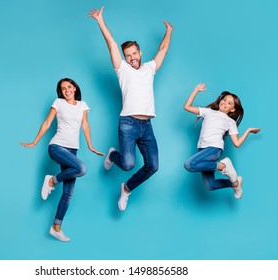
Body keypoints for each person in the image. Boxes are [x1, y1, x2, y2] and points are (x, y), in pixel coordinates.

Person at [88, 6, 174, 211]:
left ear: (140, 52)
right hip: (128, 123)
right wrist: (100, 21)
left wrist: (169, 31)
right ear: (125, 57)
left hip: (147, 125)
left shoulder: (149, 69)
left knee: (153, 166)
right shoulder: (122, 69)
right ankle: (112, 155)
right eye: (128, 55)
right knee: (127, 164)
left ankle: (126, 188)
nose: (132, 57)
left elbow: (162, 50)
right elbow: (111, 45)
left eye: (134, 53)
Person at [20, 78, 104, 242]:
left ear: (75, 88)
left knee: (68, 194)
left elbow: (85, 125)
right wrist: (34, 142)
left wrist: (90, 145)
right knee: (81, 169)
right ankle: (52, 181)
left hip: (73, 150)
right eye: (63, 88)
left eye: (69, 87)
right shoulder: (58, 103)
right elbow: (47, 123)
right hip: (57, 147)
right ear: (60, 92)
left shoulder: (82, 105)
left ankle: (56, 227)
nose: (66, 90)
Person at [183, 83, 260, 198]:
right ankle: (235, 184)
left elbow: (237, 143)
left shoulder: (230, 122)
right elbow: (187, 107)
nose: (225, 103)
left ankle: (222, 166)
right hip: (202, 149)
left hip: (214, 148)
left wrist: (248, 131)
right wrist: (196, 90)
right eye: (224, 100)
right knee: (211, 185)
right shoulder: (208, 111)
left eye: (229, 103)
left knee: (189, 165)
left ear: (232, 109)